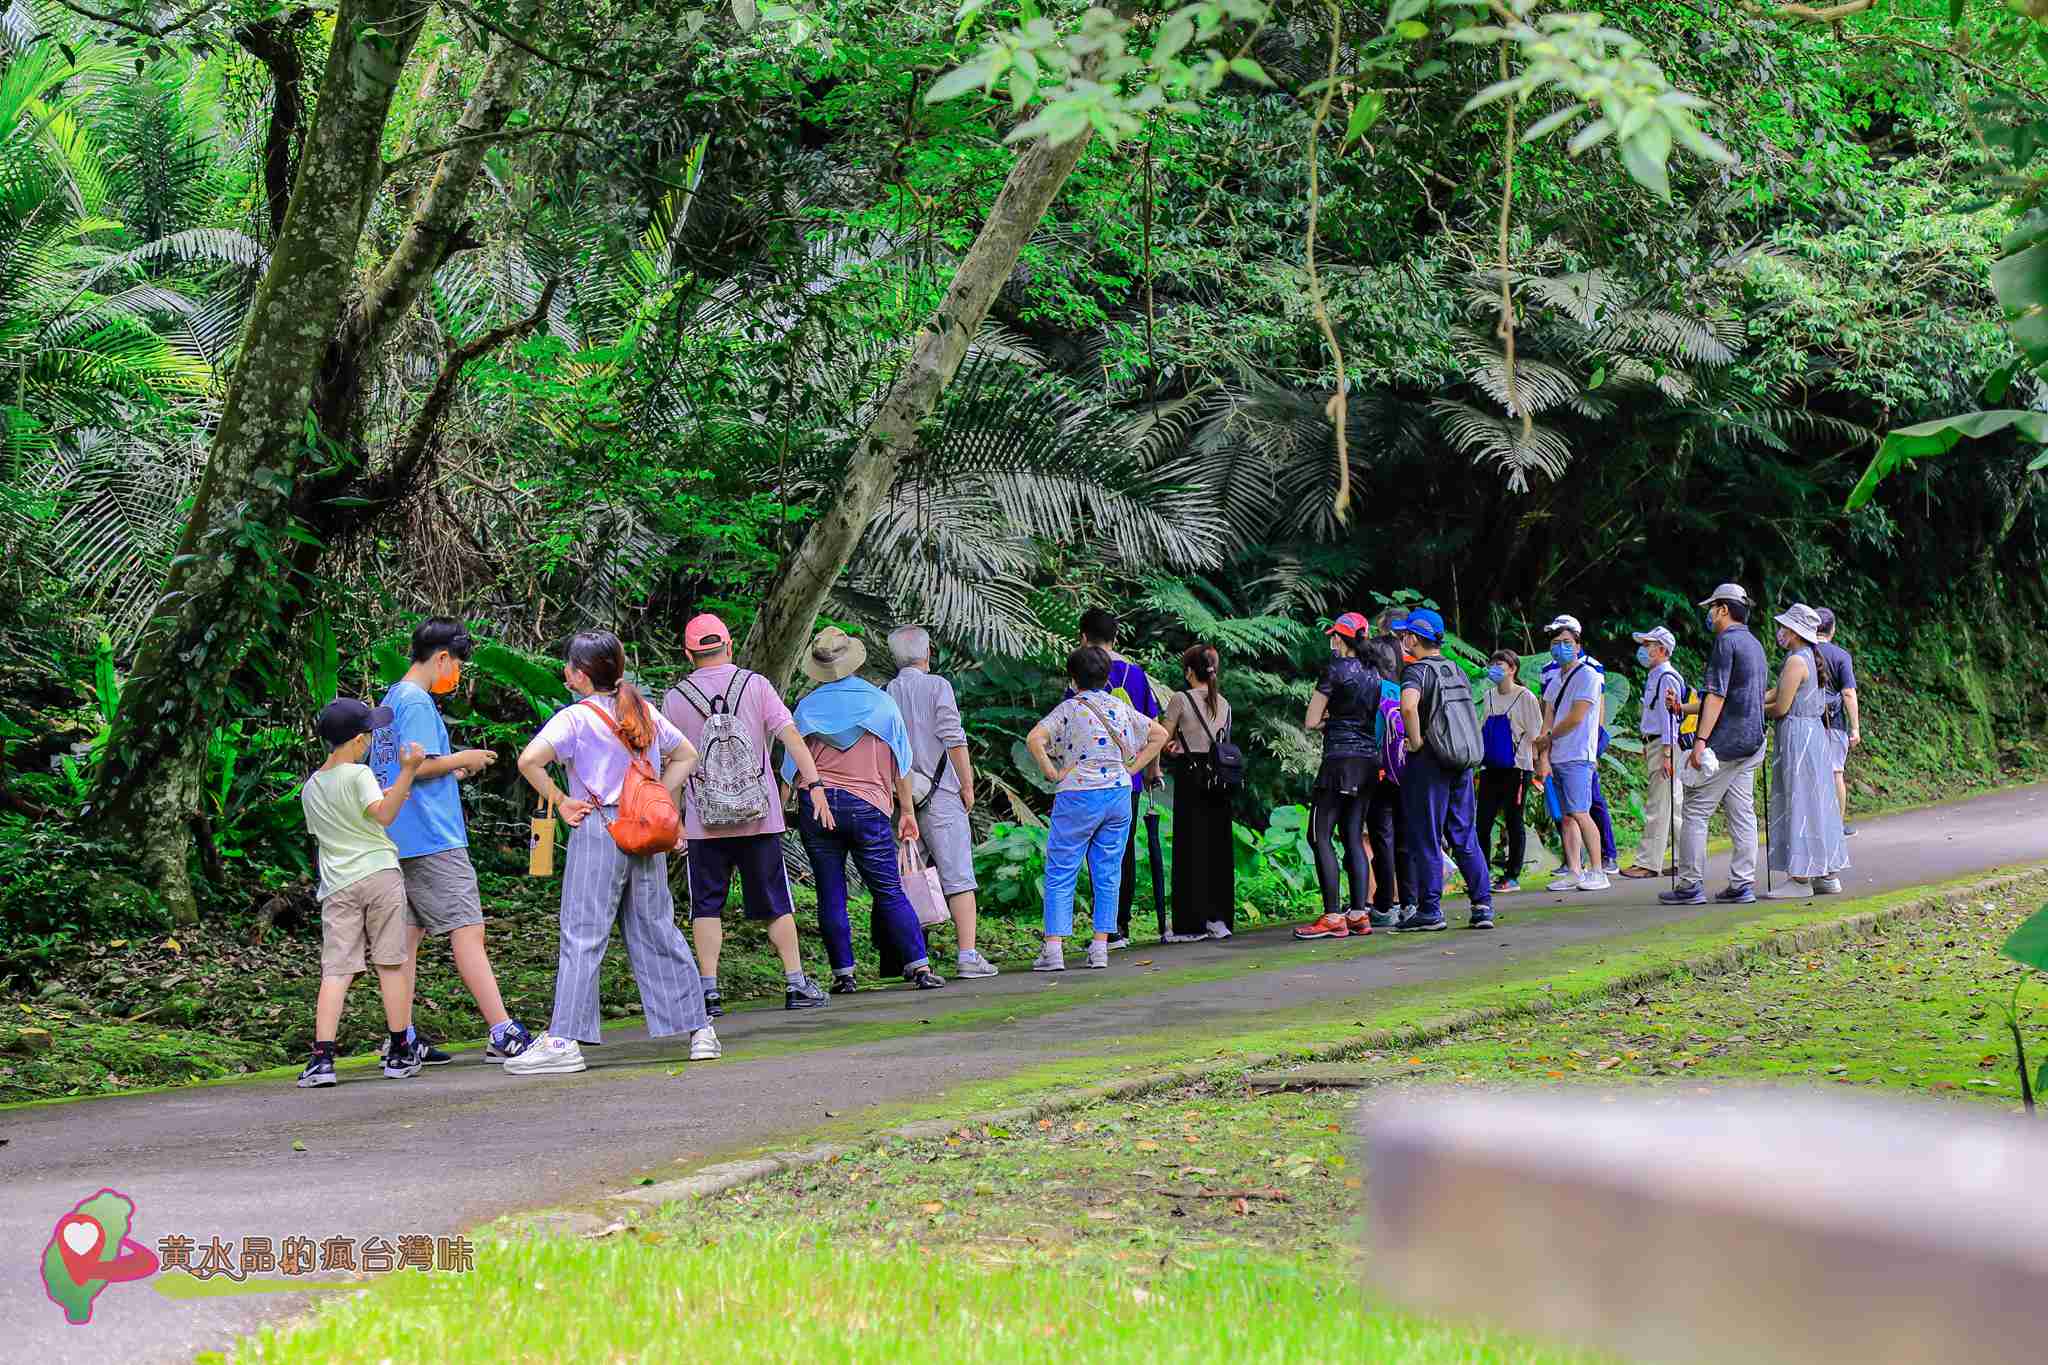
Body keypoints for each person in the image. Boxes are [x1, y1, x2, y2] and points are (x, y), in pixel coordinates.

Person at [511, 631, 718, 1076]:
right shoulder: (641, 710)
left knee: (583, 932)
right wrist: (657, 795)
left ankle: (565, 1040)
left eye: (568, 665)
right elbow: (687, 753)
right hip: (645, 830)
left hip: (598, 827)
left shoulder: (575, 719)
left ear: (580, 676)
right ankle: (700, 1029)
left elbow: (529, 760)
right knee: (657, 927)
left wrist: (561, 800)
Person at [370, 618, 534, 1066]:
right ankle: (503, 1030)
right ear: (442, 658)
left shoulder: (389, 700)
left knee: (405, 941)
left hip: (395, 835)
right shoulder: (418, 701)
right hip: (432, 836)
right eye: (457, 665)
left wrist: (449, 767)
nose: (457, 674)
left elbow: (401, 767)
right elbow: (417, 766)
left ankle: (400, 1039)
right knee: (468, 930)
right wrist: (463, 758)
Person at [660, 614, 832, 1015]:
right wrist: (816, 785)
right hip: (759, 816)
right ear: (729, 645)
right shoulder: (756, 685)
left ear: (688, 654)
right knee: (776, 902)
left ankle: (709, 993)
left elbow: (668, 762)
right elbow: (791, 737)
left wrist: (674, 820)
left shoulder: (675, 697)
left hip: (704, 821)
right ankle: (794, 984)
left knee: (706, 906)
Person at [784, 628, 945, 992]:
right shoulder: (881, 704)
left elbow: (790, 768)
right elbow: (901, 764)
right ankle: (919, 967)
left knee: (831, 892)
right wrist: (906, 812)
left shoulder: (808, 707)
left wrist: (781, 810)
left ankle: (844, 975)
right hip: (869, 806)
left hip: (819, 807)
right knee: (888, 888)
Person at [297, 699, 427, 1087]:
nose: (369, 742)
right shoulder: (358, 774)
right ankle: (401, 1049)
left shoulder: (311, 787)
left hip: (338, 885)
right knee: (389, 962)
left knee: (336, 970)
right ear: (357, 741)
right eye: (368, 736)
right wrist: (408, 771)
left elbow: (335, 828)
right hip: (379, 875)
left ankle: (322, 1058)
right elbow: (383, 815)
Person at [1027, 646, 1168, 971]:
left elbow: (1035, 739)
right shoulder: (1119, 707)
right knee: (1108, 871)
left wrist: (1053, 773)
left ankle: (1054, 951)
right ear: (1106, 678)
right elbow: (1159, 734)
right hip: (1117, 795)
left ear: (1073, 677)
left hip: (1078, 794)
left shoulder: (1067, 709)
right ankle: (1101, 947)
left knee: (1062, 869)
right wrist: (1131, 770)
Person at [885, 625, 998, 978]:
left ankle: (915, 959)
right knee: (958, 876)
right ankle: (967, 956)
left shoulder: (886, 691)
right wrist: (967, 784)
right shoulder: (938, 686)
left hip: (903, 797)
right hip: (941, 793)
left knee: (910, 876)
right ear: (928, 653)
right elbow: (954, 737)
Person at [1662, 583, 1769, 906]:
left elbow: (1719, 696)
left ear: (1723, 610)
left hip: (1725, 744)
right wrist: (1684, 708)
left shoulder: (1726, 643)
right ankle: (1742, 883)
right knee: (1742, 813)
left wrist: (1700, 741)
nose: (1709, 614)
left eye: (1712, 607)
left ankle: (1690, 885)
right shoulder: (1754, 644)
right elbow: (1729, 696)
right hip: (1754, 741)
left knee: (1695, 810)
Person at [1394, 609, 1494, 931]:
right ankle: (1482, 905)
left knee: (1427, 835)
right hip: (1460, 760)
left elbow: (1408, 706)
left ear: (1413, 637)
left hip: (1430, 763)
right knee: (1465, 834)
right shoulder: (1455, 669)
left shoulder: (1416, 671)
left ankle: (1430, 910)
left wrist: (1416, 740)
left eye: (1404, 634)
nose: (1402, 640)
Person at [1075, 608, 1161, 948]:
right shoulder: (1136, 675)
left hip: (1087, 779)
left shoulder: (1080, 672)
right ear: (1116, 636)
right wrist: (1150, 771)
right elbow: (1152, 725)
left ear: (1083, 636)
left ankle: (1103, 926)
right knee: (1120, 851)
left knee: (1090, 851)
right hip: (1129, 776)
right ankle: (1117, 927)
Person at [1294, 613, 1380, 939]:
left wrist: (1330, 718)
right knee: (1354, 835)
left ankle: (1332, 915)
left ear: (1340, 639)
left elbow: (1311, 719)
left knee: (1319, 835)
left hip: (1338, 761)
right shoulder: (1374, 673)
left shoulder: (1335, 670)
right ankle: (1358, 912)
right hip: (1368, 760)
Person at [1763, 603, 1849, 897]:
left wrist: (1752, 711)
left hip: (1797, 735)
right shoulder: (1809, 657)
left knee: (1798, 801)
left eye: (1785, 628)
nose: (1781, 632)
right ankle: (1825, 874)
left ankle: (1799, 879)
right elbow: (1777, 695)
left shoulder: (1796, 661)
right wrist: (1753, 701)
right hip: (1813, 735)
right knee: (1818, 802)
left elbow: (1781, 707)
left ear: (1795, 631)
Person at [1161, 642, 1237, 942]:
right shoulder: (1225, 702)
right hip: (1220, 779)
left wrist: (1168, 749)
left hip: (1192, 777)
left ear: (1189, 671)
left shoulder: (1180, 699)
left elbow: (1161, 737)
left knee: (1190, 847)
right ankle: (1218, 919)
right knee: (1218, 848)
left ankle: (1189, 924)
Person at [1537, 614, 1620, 877]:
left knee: (1585, 808)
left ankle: (1601, 865)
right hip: (1558, 753)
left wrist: (1595, 744)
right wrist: (1543, 754)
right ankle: (1574, 869)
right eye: (1555, 641)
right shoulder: (1552, 674)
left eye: (1565, 641)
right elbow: (1547, 712)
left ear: (1577, 643)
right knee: (1567, 814)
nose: (1559, 647)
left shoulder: (1591, 672)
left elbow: (1580, 715)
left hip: (1579, 751)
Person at [1621, 627, 1685, 879]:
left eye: (1648, 645)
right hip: (1658, 744)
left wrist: (1667, 755)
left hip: (1665, 745)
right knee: (1673, 804)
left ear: (1662, 650)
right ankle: (1685, 859)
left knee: (1658, 804)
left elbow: (1670, 719)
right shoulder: (1656, 675)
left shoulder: (1666, 677)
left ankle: (1648, 863)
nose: (1644, 649)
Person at [1475, 649, 1541, 894]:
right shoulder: (1489, 695)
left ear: (1513, 669)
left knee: (1514, 821)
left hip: (1517, 768)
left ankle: (1512, 875)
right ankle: (1482, 872)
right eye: (1493, 663)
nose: (1495, 667)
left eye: (1500, 664)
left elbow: (1536, 734)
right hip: (1491, 767)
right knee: (1482, 822)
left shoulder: (1526, 697)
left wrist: (1536, 766)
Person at [1360, 635, 1408, 927]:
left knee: (1381, 838)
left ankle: (1382, 904)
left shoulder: (1370, 690)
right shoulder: (1402, 690)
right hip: (1402, 772)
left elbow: (1370, 734)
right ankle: (1409, 901)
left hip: (1376, 771)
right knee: (1403, 837)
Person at [1814, 608, 1862, 836]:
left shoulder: (1802, 653)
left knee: (1808, 773)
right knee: (1835, 773)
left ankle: (1810, 823)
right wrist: (1855, 728)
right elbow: (1849, 693)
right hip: (1834, 723)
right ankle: (1836, 824)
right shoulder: (1841, 656)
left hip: (1806, 723)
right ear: (1832, 629)